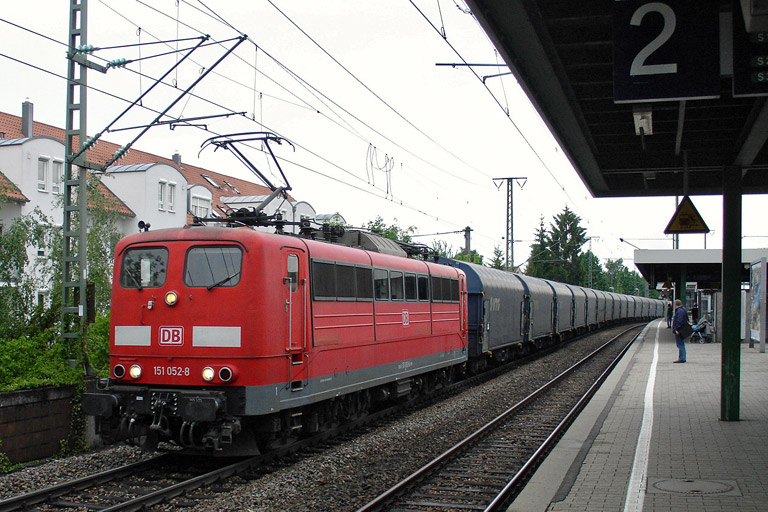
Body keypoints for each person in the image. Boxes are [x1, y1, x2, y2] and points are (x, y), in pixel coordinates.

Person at [671, 299, 689, 363]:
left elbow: (679, 320)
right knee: (681, 344)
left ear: (675, 305)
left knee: (680, 344)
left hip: (680, 330)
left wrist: (677, 329)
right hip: (682, 329)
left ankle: (682, 358)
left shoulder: (679, 311)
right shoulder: (683, 309)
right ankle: (682, 357)